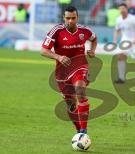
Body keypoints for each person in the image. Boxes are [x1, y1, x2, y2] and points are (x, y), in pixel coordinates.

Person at [41, 6, 97, 135]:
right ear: (63, 18)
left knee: (80, 90)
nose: (70, 21)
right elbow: (43, 50)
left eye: (73, 18)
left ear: (77, 17)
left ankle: (83, 130)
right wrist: (58, 57)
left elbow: (94, 39)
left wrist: (92, 50)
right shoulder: (56, 31)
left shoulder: (84, 31)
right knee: (71, 105)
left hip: (80, 66)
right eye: (68, 18)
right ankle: (79, 130)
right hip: (62, 72)